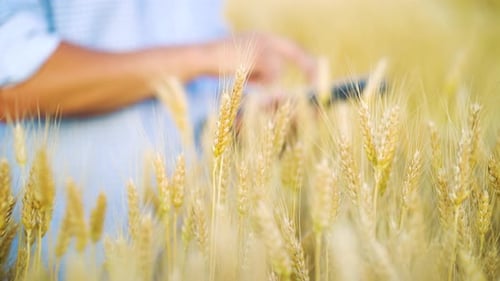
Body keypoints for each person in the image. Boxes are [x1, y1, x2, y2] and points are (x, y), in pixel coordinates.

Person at [0, 1, 316, 228]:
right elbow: (10, 85)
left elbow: (195, 92)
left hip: (190, 248)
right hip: (66, 255)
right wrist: (207, 55)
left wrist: (247, 118)